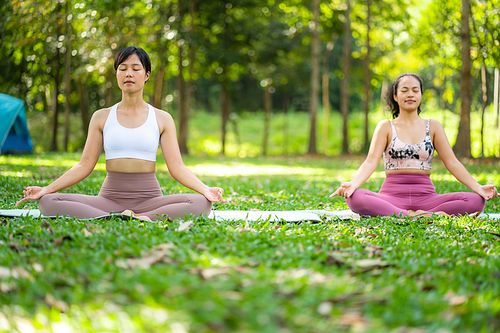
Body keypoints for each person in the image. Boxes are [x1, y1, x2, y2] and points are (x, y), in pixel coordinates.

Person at [16, 46, 224, 221]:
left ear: (147, 75)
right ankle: (119, 215)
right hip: (109, 199)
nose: (129, 74)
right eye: (122, 69)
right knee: (48, 202)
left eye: (136, 68)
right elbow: (83, 166)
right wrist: (46, 189)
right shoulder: (101, 117)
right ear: (116, 74)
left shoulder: (162, 118)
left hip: (150, 198)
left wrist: (205, 189)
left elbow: (177, 167)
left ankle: (136, 216)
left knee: (200, 203)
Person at [330, 73, 498, 217]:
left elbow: (452, 163)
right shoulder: (385, 126)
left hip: (427, 197)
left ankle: (414, 214)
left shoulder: (433, 126)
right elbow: (370, 162)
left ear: (420, 96)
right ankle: (412, 216)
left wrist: (478, 187)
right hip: (391, 197)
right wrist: (354, 183)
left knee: (476, 201)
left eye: (415, 90)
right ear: (395, 96)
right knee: (355, 198)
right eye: (404, 90)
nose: (410, 94)